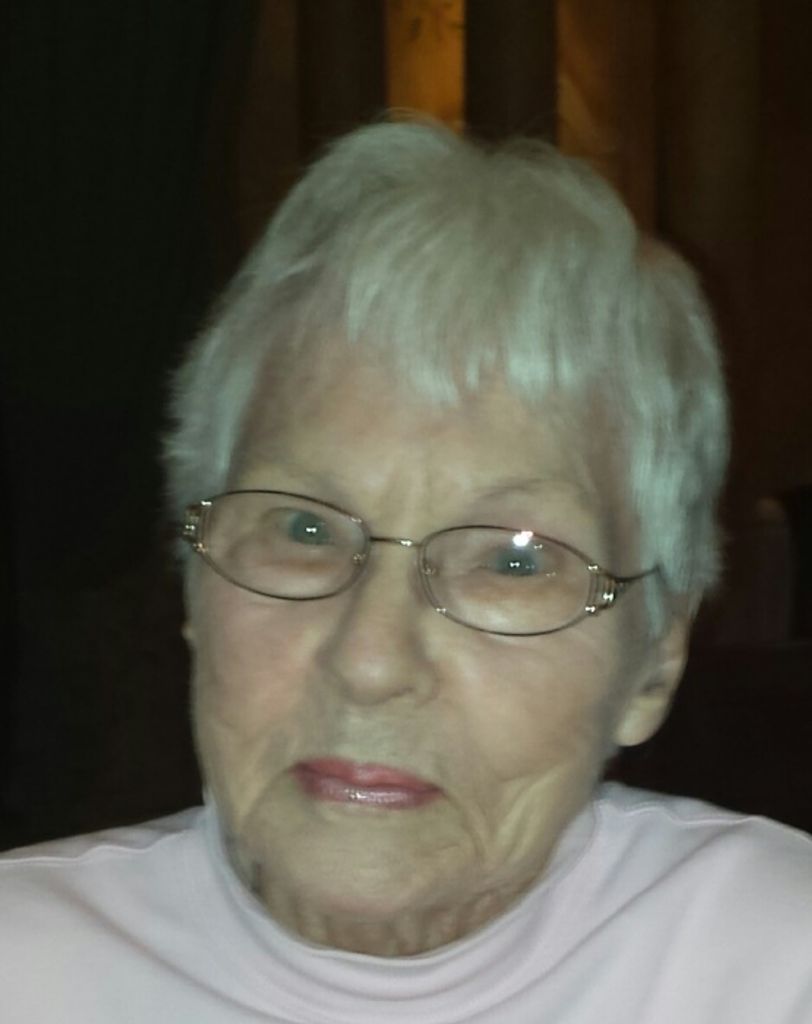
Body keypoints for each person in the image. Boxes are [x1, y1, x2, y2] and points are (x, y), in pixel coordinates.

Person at [1, 119, 810, 1023]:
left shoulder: (778, 971)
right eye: (304, 527)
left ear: (655, 658)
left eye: (511, 560)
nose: (370, 662)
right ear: (196, 584)